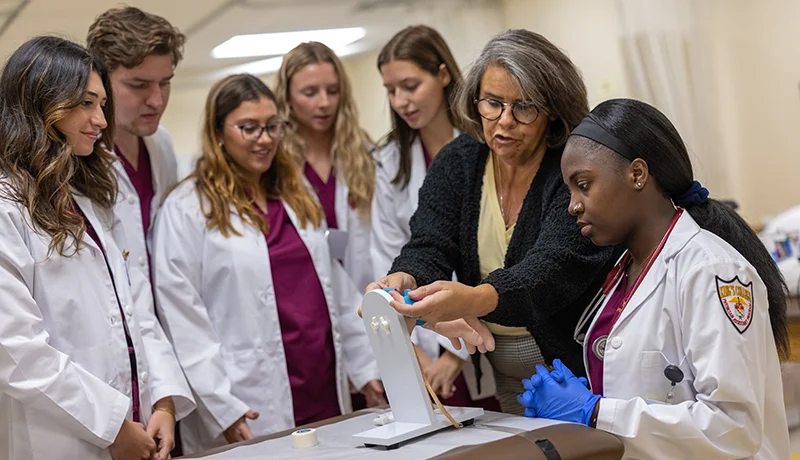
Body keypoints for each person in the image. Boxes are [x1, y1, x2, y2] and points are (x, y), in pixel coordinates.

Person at [516, 98, 790, 459]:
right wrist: (589, 402)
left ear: (637, 174)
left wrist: (596, 411)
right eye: (570, 190)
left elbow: (733, 428)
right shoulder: (624, 270)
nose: (573, 205)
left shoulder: (711, 270)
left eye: (584, 184)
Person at [369, 29, 617, 415]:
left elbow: (553, 268)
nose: (504, 122)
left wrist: (474, 299)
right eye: (493, 103)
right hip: (502, 369)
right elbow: (430, 244)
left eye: (524, 107)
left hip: (578, 367)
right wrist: (406, 276)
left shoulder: (570, 165)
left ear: (551, 108)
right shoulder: (460, 161)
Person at [153, 74, 381, 454]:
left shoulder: (296, 193)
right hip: (249, 397)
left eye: (273, 126)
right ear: (218, 132)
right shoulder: (188, 207)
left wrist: (367, 368)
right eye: (249, 128)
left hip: (321, 381)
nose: (265, 139)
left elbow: (335, 289)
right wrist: (222, 407)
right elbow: (181, 315)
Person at [0, 36, 193, 460]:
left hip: (134, 421)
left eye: (102, 104)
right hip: (65, 436)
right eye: (86, 103)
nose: (101, 119)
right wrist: (110, 427)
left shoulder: (88, 200)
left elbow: (136, 310)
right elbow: (15, 351)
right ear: (40, 104)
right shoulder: (6, 209)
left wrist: (163, 399)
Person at [86, 8, 194, 456]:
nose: (156, 99)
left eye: (165, 82)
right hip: (117, 357)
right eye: (138, 85)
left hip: (170, 342)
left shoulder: (161, 145)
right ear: (99, 80)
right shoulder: (83, 161)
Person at [372, 25, 496, 406]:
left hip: (485, 336)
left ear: (443, 75)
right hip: (420, 347)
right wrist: (418, 352)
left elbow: (492, 252)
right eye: (391, 91)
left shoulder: (484, 145)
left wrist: (453, 357)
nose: (401, 101)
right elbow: (390, 255)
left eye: (410, 86)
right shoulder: (388, 161)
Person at [275, 41, 375, 292]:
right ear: (286, 96)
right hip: (303, 294)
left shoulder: (363, 152)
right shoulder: (275, 160)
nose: (324, 103)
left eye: (332, 90)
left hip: (366, 288)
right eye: (310, 93)